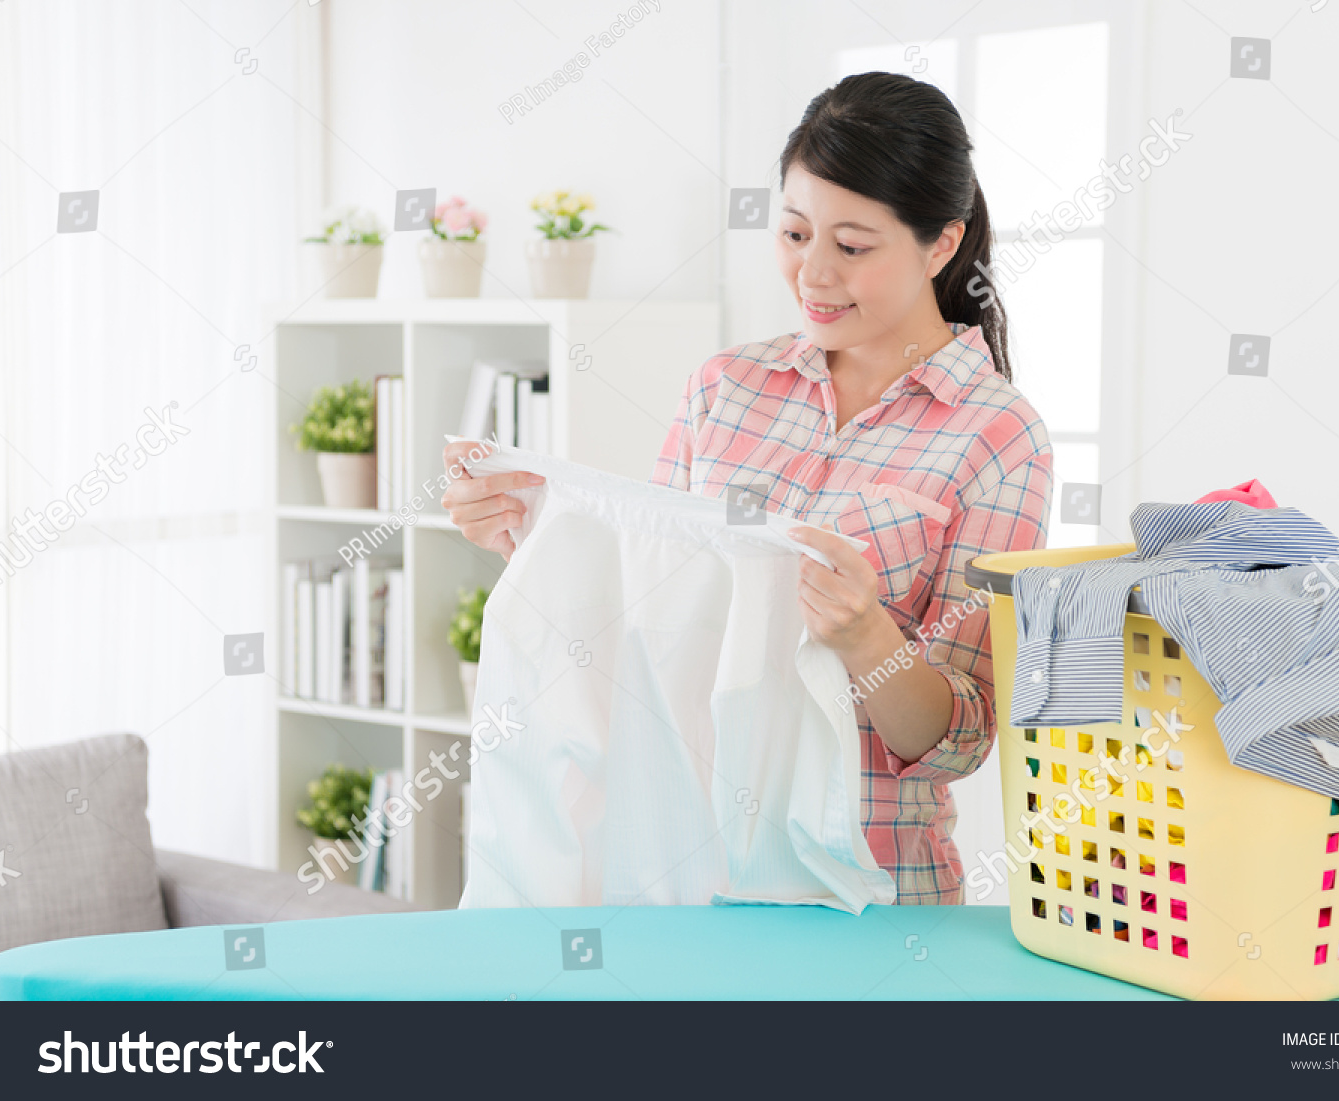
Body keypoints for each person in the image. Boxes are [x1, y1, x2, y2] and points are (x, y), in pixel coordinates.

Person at [442, 72, 1053, 905]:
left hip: (873, 900)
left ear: (941, 244)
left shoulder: (998, 437)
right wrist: (536, 541)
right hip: (688, 879)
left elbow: (961, 740)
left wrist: (867, 637)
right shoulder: (724, 387)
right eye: (795, 232)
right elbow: (649, 638)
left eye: (854, 246)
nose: (813, 274)